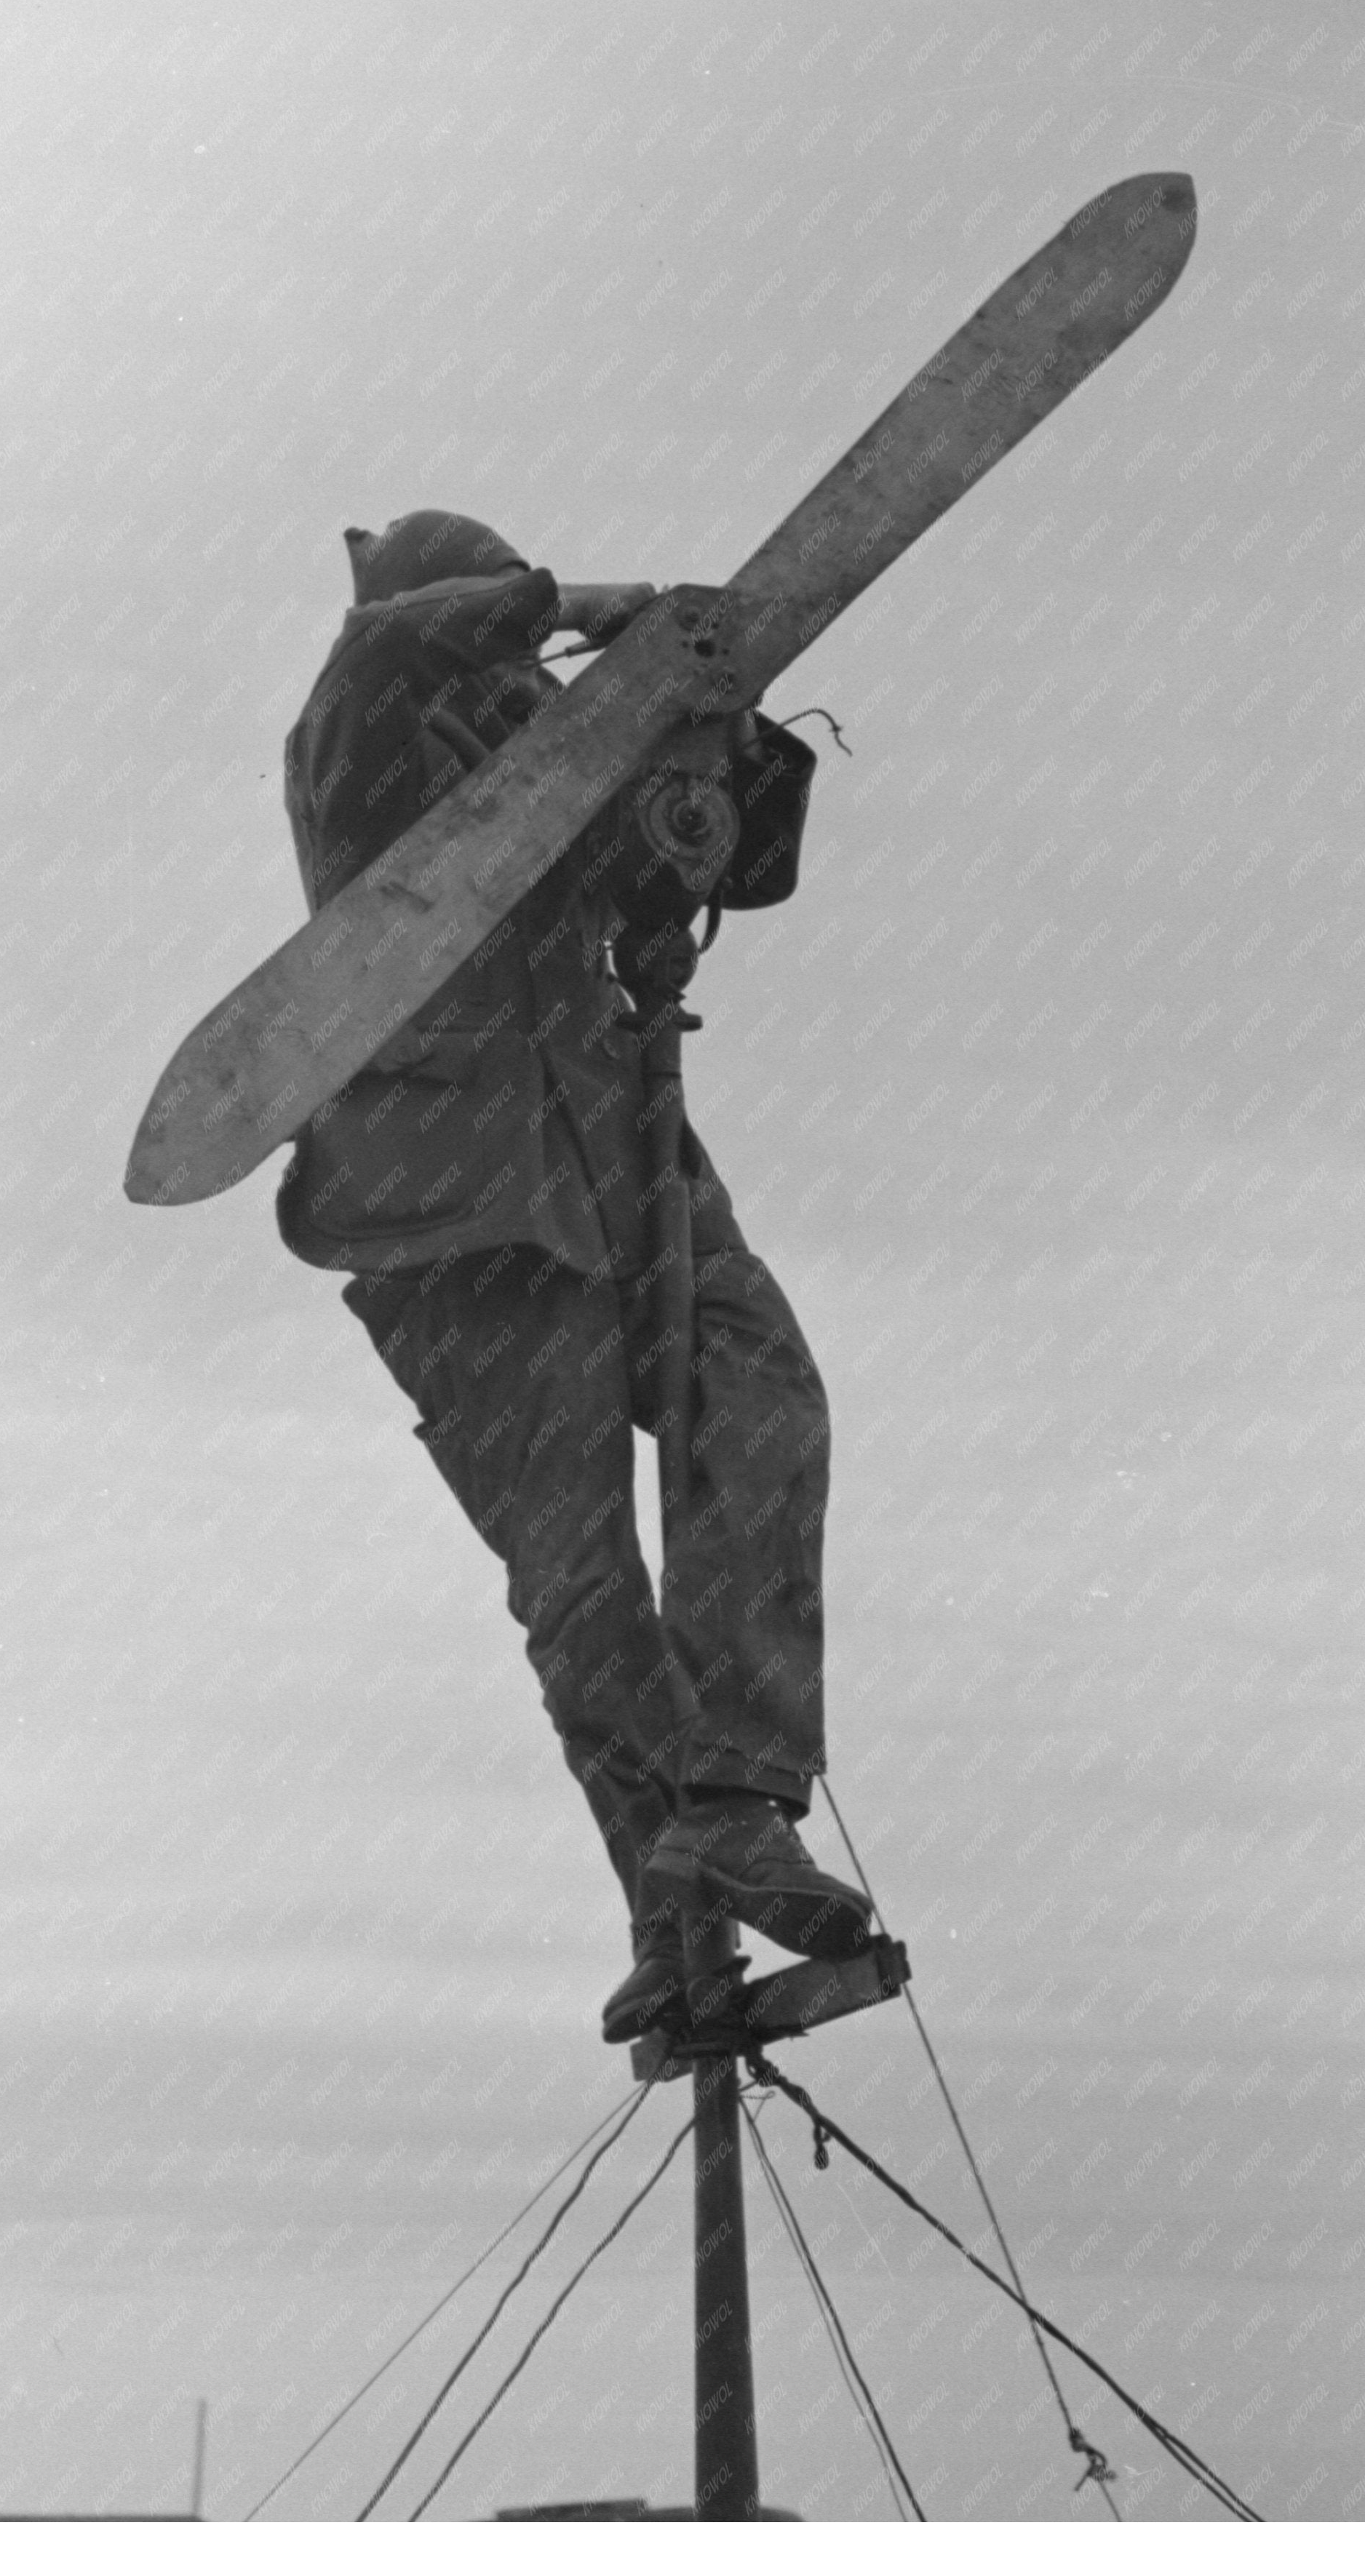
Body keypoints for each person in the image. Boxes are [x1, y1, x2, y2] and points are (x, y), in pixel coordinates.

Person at [276, 509, 872, 2041]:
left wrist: (707, 745)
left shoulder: (547, 741)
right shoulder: (356, 740)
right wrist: (597, 612)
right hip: (445, 1202)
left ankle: (738, 1797)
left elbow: (694, 867)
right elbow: (388, 643)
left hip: (625, 1149)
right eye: (497, 638)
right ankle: (674, 1927)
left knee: (767, 1402)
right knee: (583, 1579)